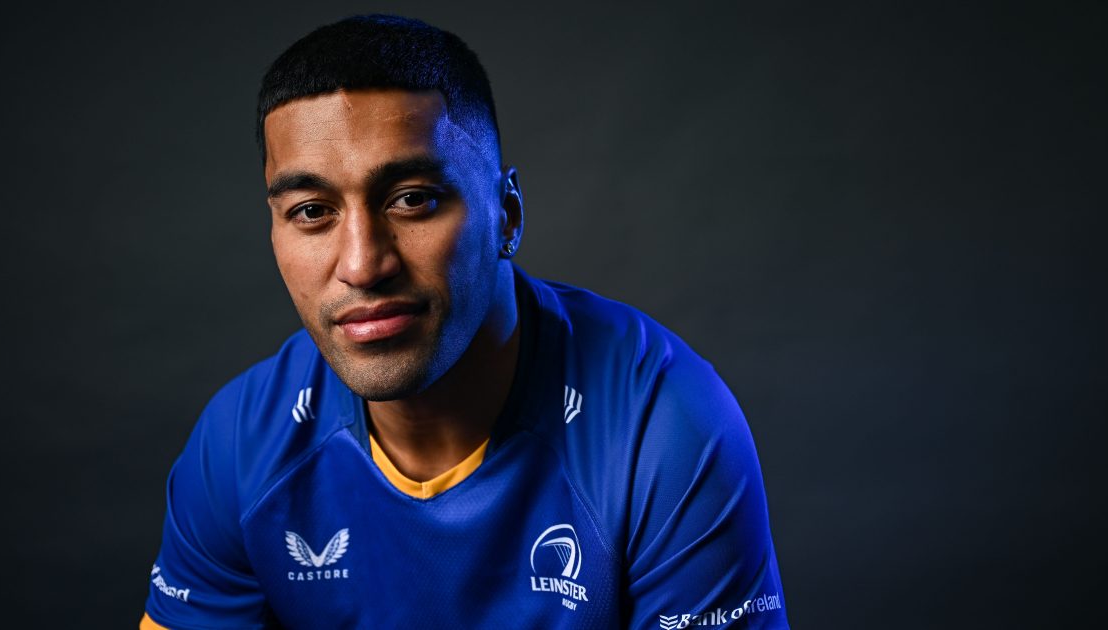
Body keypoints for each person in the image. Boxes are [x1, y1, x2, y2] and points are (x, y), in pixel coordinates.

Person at [142, 14, 788, 630]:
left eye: (412, 199)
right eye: (312, 211)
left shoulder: (662, 427)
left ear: (507, 215)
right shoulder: (240, 444)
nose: (362, 265)